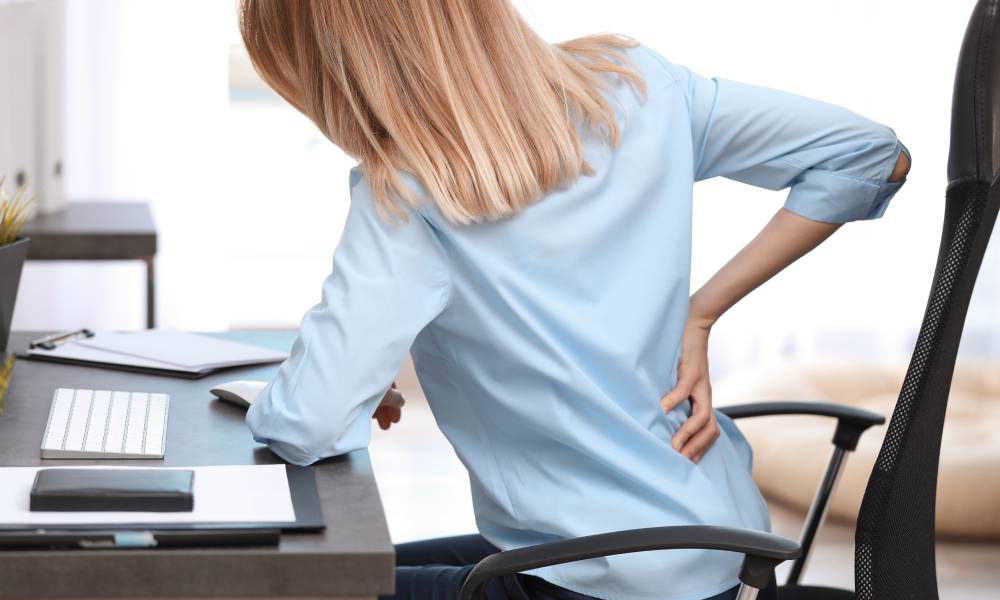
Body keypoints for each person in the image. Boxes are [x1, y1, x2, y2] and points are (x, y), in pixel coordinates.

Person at [237, 2, 911, 599]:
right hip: (721, 554)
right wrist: (702, 311)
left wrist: (316, 386)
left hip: (598, 578)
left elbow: (305, 425)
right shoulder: (639, 89)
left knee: (279, 582)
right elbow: (871, 155)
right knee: (359, 565)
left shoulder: (407, 193)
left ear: (345, 74)